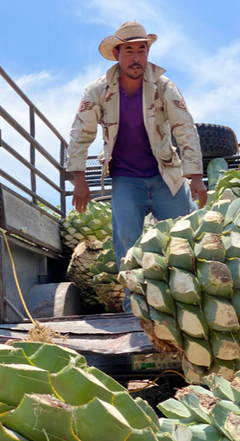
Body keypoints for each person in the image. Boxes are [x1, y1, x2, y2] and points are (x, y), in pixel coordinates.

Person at [66, 21, 206, 306]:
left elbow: (185, 128)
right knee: (127, 241)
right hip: (125, 178)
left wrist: (195, 176)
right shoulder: (98, 91)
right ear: (117, 54)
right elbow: (81, 132)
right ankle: (135, 305)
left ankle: (189, 298)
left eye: (142, 50)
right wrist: (79, 179)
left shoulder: (163, 86)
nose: (136, 57)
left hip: (165, 174)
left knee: (183, 236)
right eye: (129, 50)